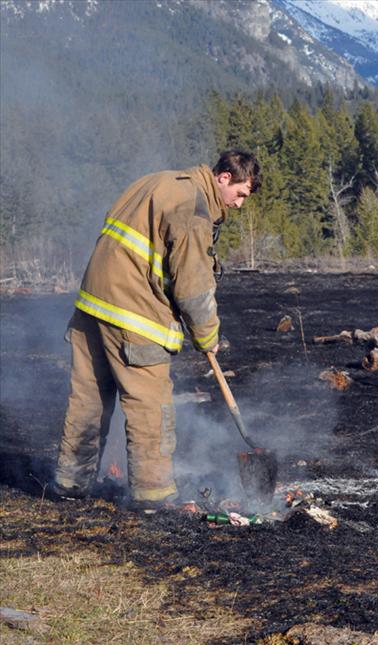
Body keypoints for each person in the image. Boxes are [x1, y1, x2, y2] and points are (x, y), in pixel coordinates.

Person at [51, 150, 261, 510]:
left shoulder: (159, 181)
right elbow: (193, 286)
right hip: (134, 315)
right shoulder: (194, 208)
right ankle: (155, 495)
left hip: (91, 307)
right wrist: (208, 336)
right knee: (150, 404)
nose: (239, 205)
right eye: (240, 194)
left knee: (88, 400)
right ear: (224, 177)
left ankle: (71, 482)